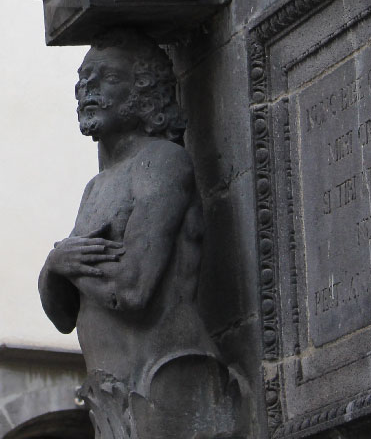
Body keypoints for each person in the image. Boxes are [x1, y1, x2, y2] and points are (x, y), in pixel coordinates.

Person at [39, 29, 237, 439]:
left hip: (168, 380)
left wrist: (67, 266)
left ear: (145, 93)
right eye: (83, 79)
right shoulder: (96, 188)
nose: (87, 89)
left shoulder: (162, 163)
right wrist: (53, 267)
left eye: (107, 78)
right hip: (116, 395)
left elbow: (133, 289)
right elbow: (63, 315)